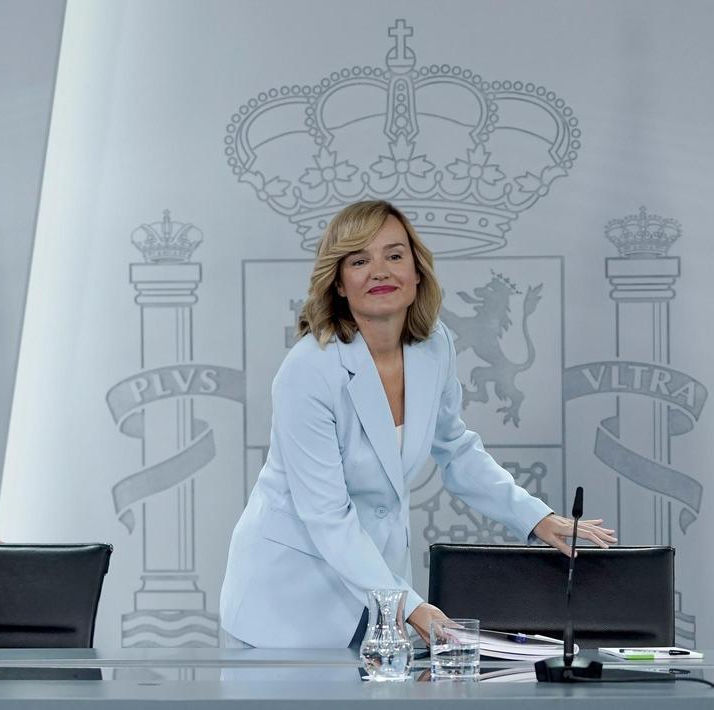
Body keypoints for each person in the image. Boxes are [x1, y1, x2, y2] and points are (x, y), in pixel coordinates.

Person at [219, 200, 616, 649]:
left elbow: (456, 449)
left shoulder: (434, 345)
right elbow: (326, 516)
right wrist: (407, 605)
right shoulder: (308, 370)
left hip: (375, 592)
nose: (380, 271)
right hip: (285, 602)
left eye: (394, 255)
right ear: (339, 282)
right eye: (359, 260)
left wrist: (535, 517)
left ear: (416, 270)